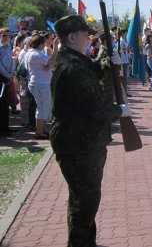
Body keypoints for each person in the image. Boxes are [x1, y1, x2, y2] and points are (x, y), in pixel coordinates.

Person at [50, 15, 131, 247]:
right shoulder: (71, 66)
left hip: (82, 140)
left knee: (83, 199)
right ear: (72, 36)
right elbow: (94, 106)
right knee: (85, 200)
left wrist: (106, 63)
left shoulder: (75, 61)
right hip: (77, 143)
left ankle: (86, 242)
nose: (89, 39)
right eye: (85, 35)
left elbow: (92, 71)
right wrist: (119, 111)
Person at [25, 34, 58, 139]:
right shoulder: (35, 54)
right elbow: (52, 63)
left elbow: (50, 64)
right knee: (43, 108)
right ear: (40, 43)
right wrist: (55, 47)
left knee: (42, 107)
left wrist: (48, 64)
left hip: (39, 83)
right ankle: (40, 131)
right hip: (41, 84)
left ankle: (42, 129)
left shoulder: (33, 53)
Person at [0, 27, 17, 137]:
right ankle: (2, 129)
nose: (6, 37)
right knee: (1, 104)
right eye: (4, 35)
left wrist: (11, 74)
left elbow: (10, 61)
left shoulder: (8, 46)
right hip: (2, 77)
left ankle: (5, 127)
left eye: (8, 35)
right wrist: (7, 76)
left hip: (8, 76)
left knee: (5, 104)